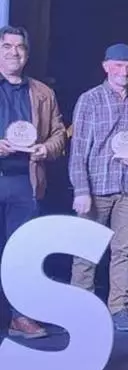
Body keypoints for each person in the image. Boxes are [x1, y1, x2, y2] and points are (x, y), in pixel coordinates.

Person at [69, 43, 128, 332]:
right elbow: (78, 149)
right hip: (96, 187)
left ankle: (119, 309)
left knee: (125, 251)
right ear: (106, 67)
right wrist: (81, 190)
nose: (124, 71)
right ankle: (81, 308)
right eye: (118, 65)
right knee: (86, 250)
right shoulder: (89, 100)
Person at [0, 25, 66, 339]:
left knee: (21, 254)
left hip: (25, 182)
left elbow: (59, 134)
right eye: (7, 46)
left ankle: (20, 316)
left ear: (27, 53)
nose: (14, 52)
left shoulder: (42, 93)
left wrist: (46, 149)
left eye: (20, 47)